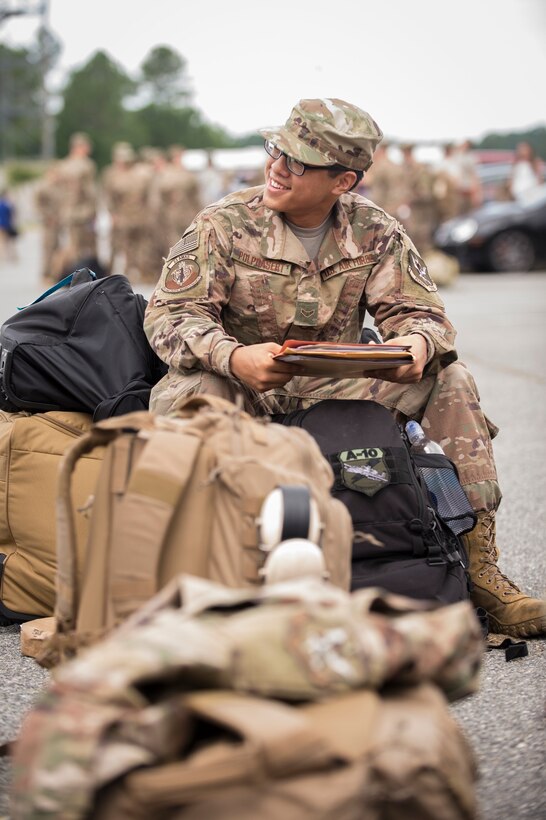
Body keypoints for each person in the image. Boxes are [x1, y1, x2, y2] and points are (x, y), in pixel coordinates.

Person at [144, 98, 545, 638]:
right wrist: (233, 356)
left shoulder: (374, 230)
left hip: (342, 387)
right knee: (186, 393)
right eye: (276, 150)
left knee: (450, 378)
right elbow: (170, 314)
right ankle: (192, 579)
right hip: (248, 386)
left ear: (343, 180)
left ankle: (479, 572)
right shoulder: (224, 224)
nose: (277, 167)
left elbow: (424, 315)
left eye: (298, 161)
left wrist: (416, 348)